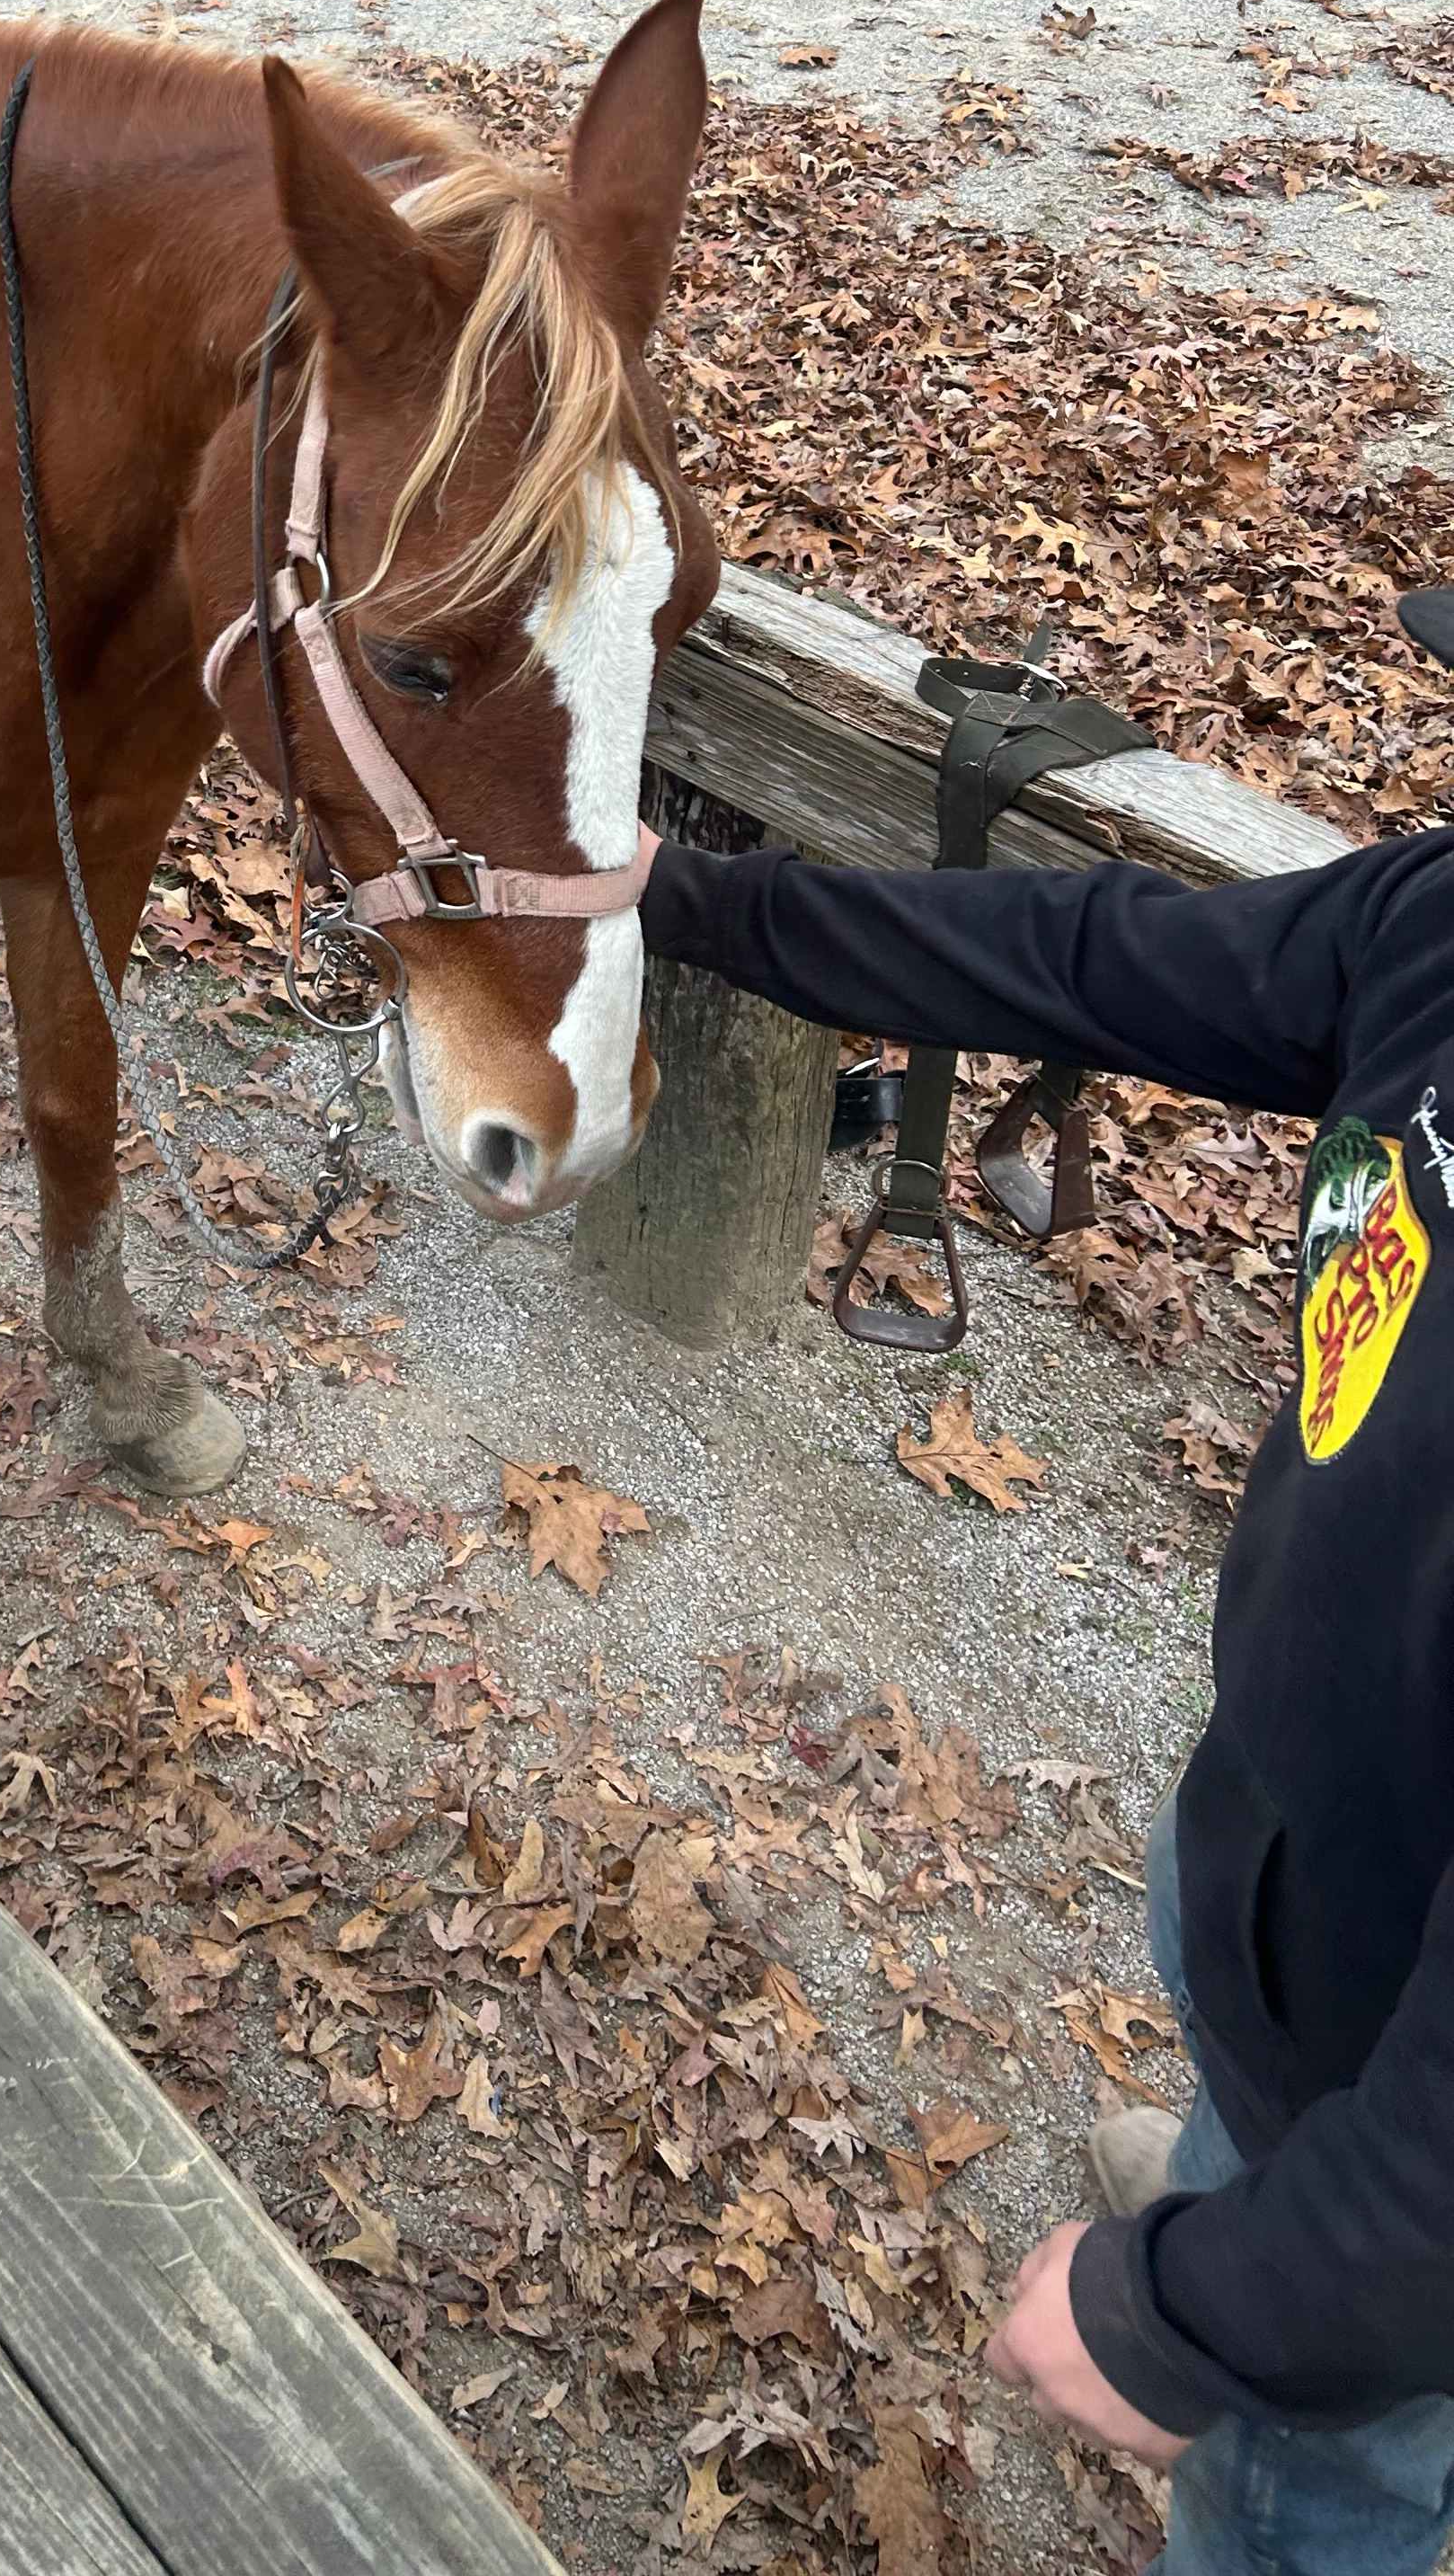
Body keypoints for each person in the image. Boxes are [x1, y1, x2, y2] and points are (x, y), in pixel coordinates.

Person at [636, 625, 1454, 2575]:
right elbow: (1094, 959)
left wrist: (1222, 2308)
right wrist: (695, 899)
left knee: (1307, 2495)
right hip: (1290, 1872)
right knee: (1240, 2063)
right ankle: (1236, 2149)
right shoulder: (1442, 928)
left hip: (1393, 2101)